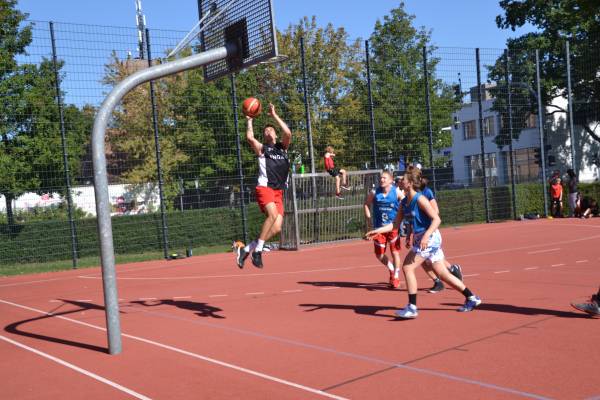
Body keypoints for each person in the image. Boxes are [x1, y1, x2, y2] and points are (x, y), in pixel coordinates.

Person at [365, 166, 482, 319]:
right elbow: (394, 225)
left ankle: (412, 307)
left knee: (407, 267)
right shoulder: (404, 203)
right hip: (422, 238)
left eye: (404, 179)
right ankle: (472, 298)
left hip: (430, 237)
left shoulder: (419, 199)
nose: (400, 181)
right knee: (442, 273)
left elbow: (437, 219)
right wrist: (377, 230)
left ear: (410, 183)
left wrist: (426, 236)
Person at [235, 103, 292, 269]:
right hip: (264, 187)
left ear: (275, 134)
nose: (268, 131)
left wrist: (274, 115)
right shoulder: (263, 149)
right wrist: (249, 121)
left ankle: (246, 249)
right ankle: (258, 252)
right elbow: (250, 138)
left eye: (271, 130)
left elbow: (288, 132)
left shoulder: (283, 148)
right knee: (272, 216)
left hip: (278, 191)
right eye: (265, 130)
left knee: (276, 228)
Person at [418, 176, 463, 293]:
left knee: (425, 259)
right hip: (419, 232)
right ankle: (451, 271)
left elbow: (436, 211)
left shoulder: (426, 192)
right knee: (433, 259)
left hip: (429, 231)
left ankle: (441, 280)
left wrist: (426, 217)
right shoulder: (411, 194)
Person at [363, 170, 404, 289]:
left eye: (384, 178)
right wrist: (369, 220)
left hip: (393, 228)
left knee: (395, 252)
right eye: (381, 178)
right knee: (379, 255)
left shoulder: (396, 191)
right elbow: (366, 204)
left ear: (391, 180)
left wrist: (402, 216)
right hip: (379, 229)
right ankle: (391, 269)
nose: (382, 180)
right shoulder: (375, 192)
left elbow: (405, 202)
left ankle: (396, 276)